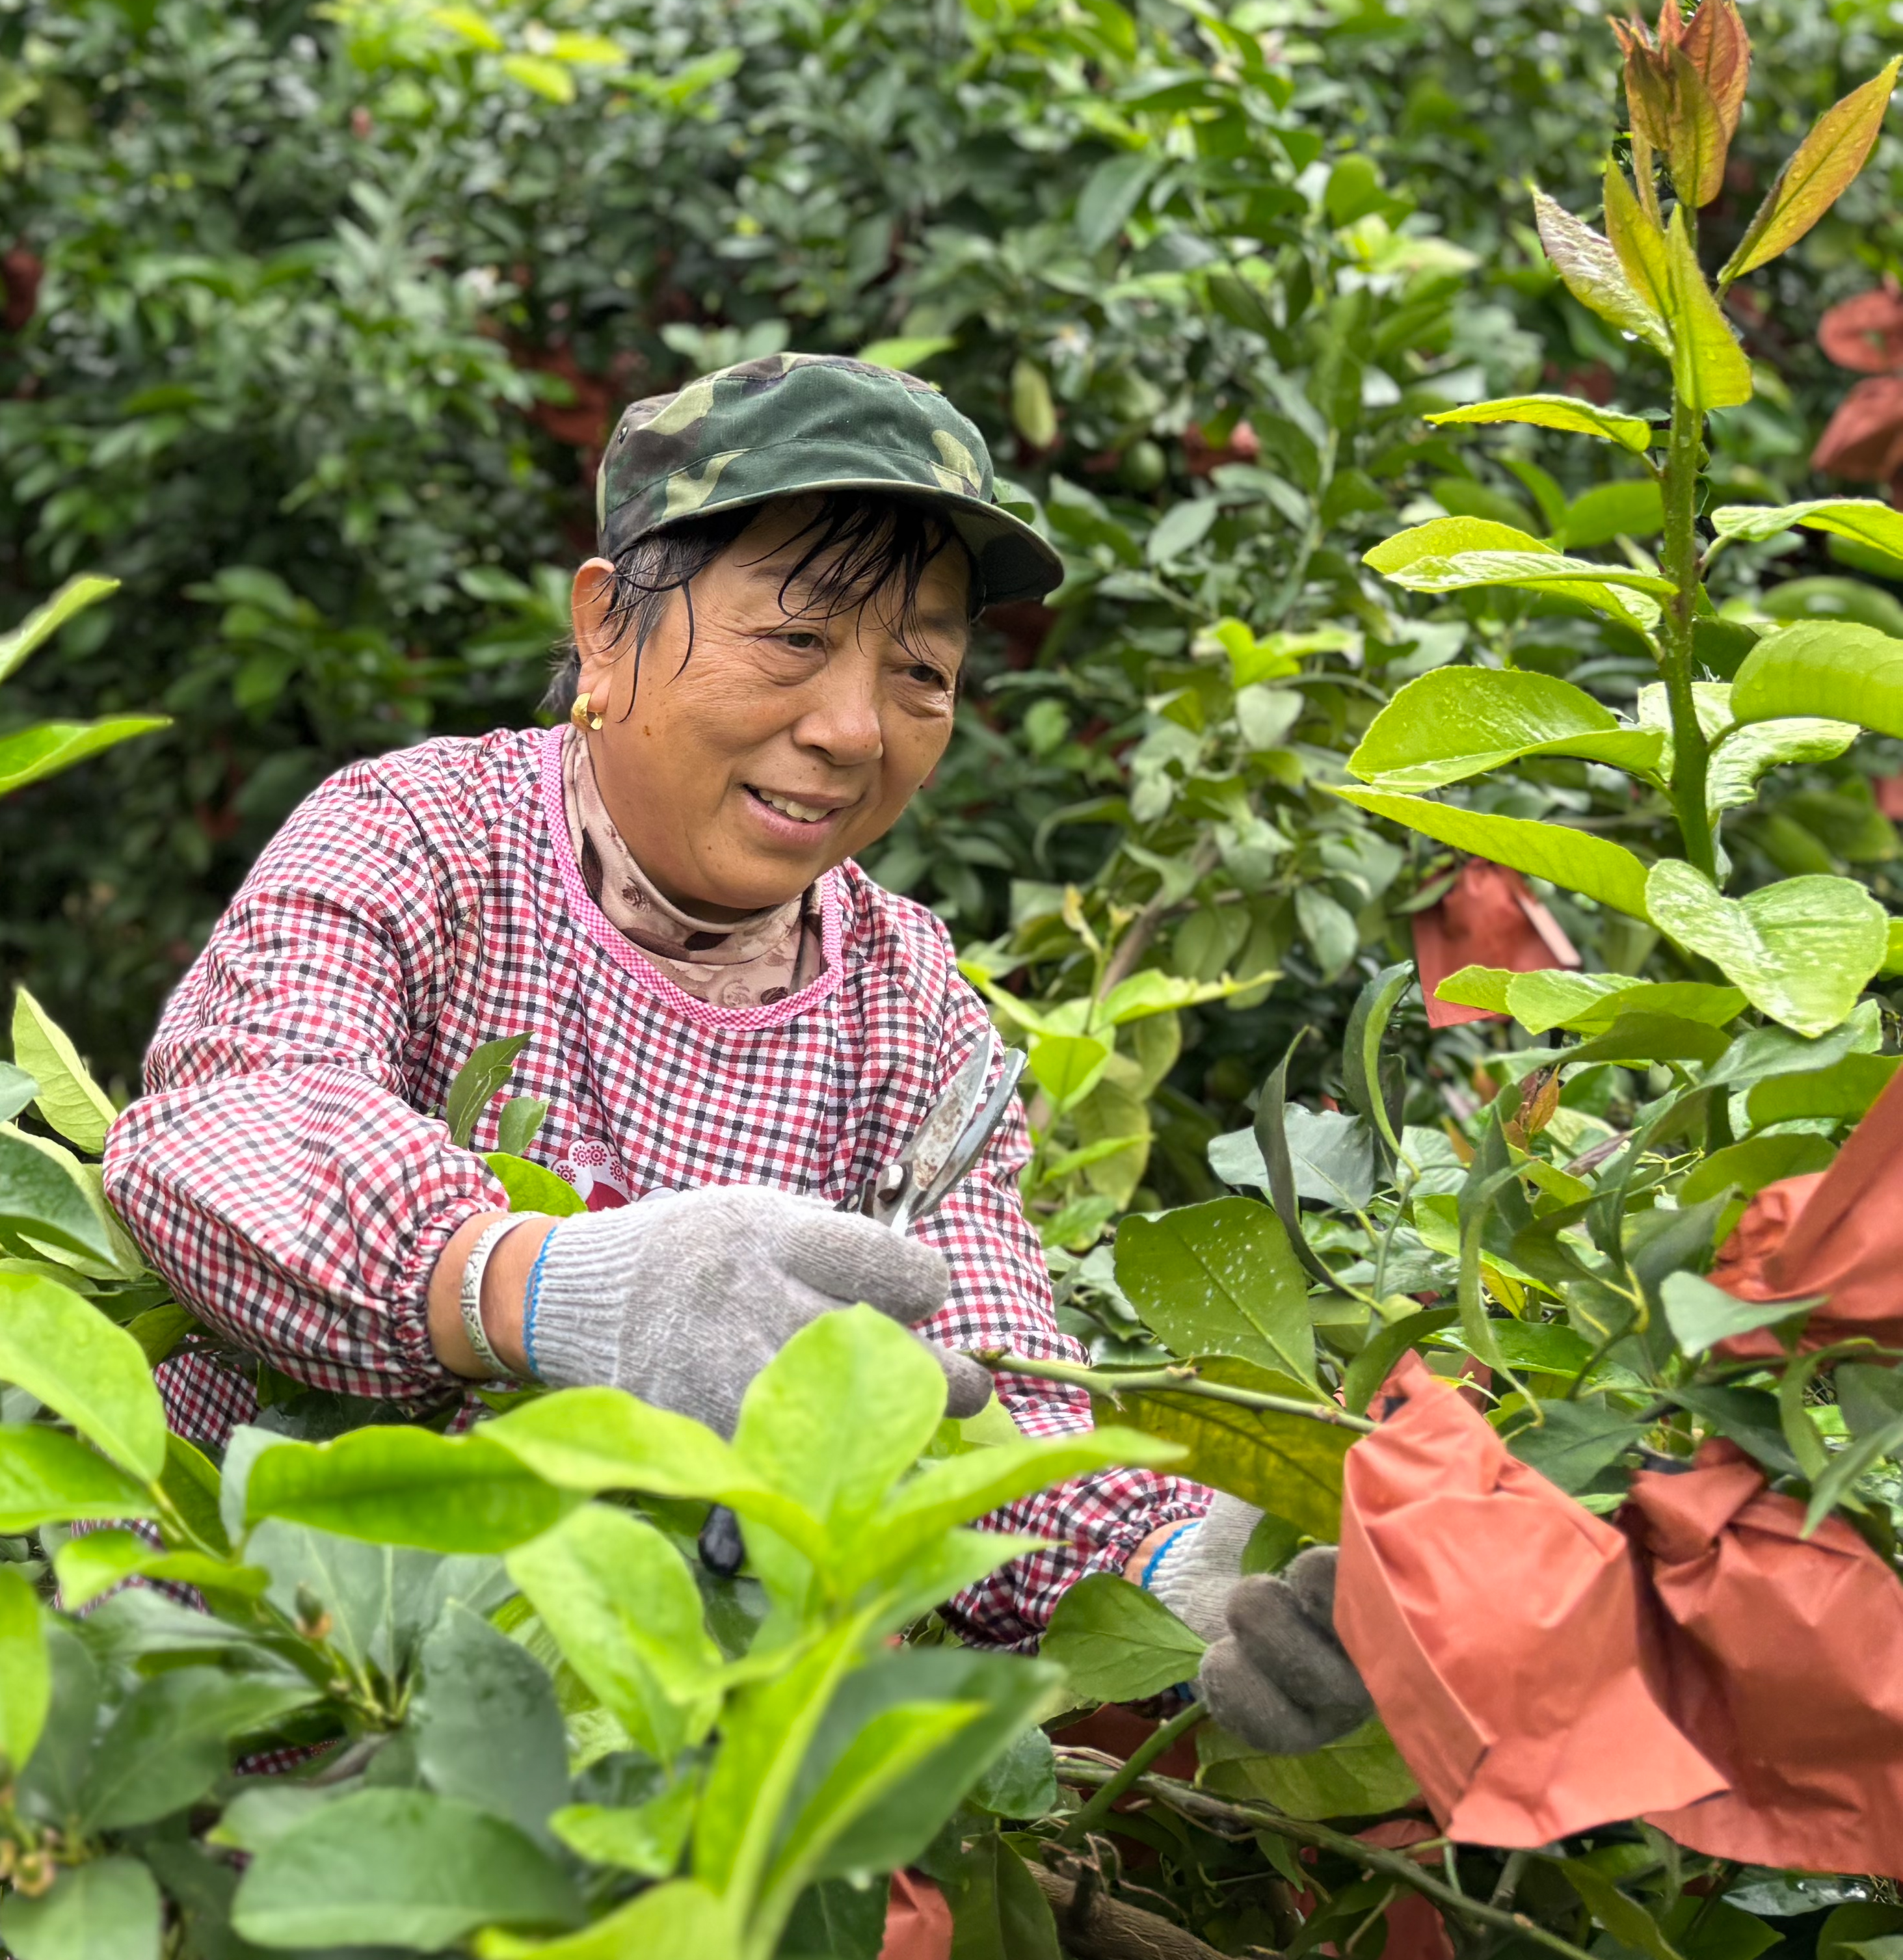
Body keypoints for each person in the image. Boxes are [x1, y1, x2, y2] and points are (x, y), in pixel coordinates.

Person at [103, 352, 1366, 1751]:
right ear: (605, 627)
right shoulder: (418, 839)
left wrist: (1161, 1579)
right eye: (795, 638)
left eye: (922, 672)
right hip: (246, 1735)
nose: (849, 728)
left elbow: (980, 1385)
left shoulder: (909, 1001)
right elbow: (225, 1128)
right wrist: (547, 1285)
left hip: (648, 1794)